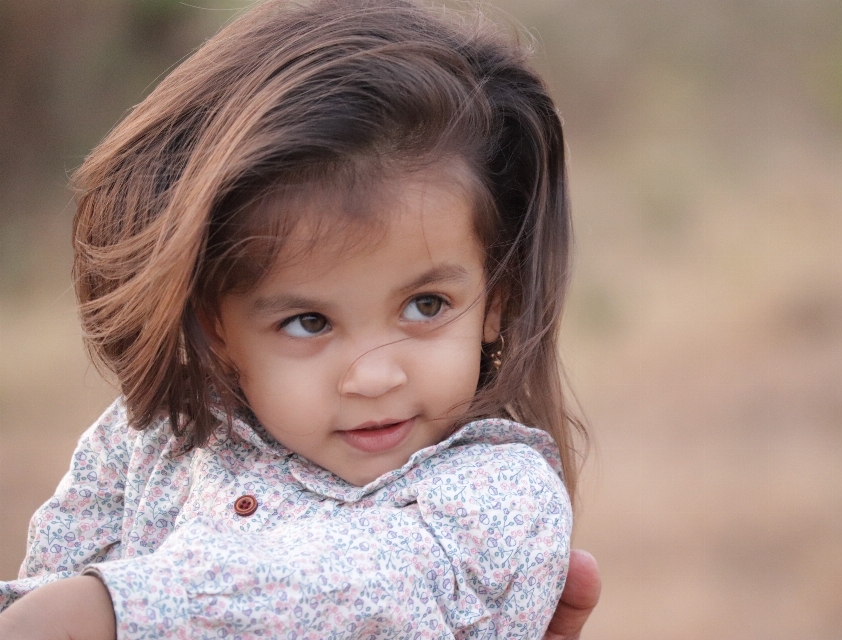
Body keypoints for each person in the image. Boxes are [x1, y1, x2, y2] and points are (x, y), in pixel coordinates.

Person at [0, 0, 600, 637]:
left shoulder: (500, 495)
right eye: (309, 322)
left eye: (426, 306)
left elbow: (366, 593)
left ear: (494, 301)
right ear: (217, 328)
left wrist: (105, 612)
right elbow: (39, 596)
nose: (373, 378)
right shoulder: (158, 439)